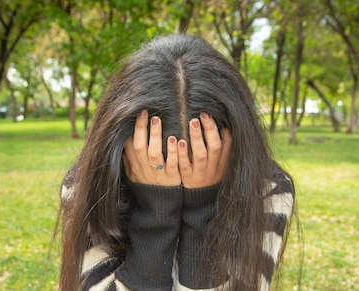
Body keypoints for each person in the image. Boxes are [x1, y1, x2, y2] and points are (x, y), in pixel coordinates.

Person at [59, 34, 295, 291]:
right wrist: (156, 214)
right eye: (158, 164)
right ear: (125, 152)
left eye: (204, 162)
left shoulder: (267, 189)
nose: (180, 178)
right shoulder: (90, 185)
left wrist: (201, 214)